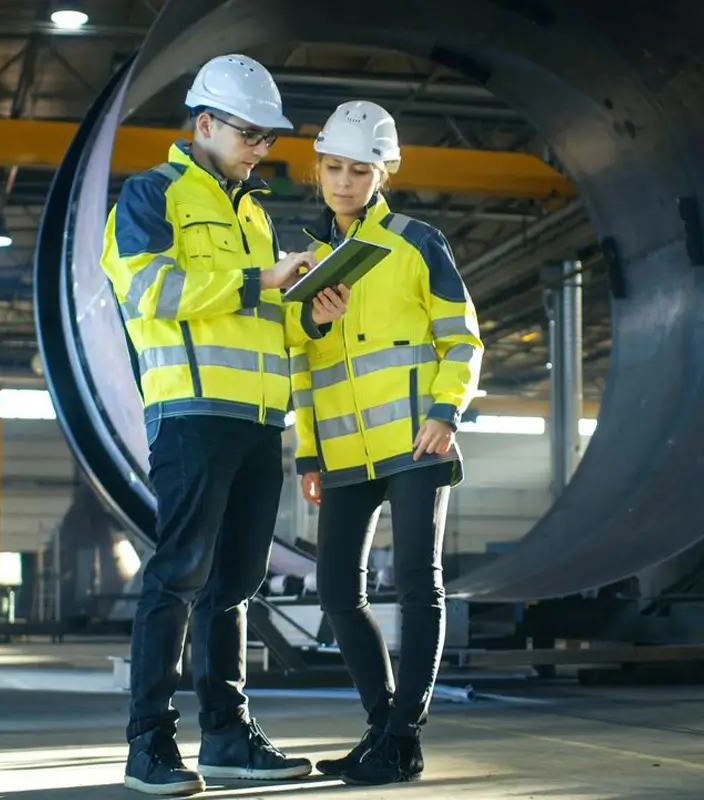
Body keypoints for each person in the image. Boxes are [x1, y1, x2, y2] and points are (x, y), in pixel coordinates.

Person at [100, 54, 349, 796]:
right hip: (192, 416)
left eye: (268, 138)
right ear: (203, 123)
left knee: (235, 587)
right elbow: (150, 289)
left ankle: (227, 738)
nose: (260, 148)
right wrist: (261, 278)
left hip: (257, 423)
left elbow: (264, 326)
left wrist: (309, 312)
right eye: (249, 133)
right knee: (178, 577)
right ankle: (148, 746)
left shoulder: (256, 215)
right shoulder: (154, 195)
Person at [289, 100, 485, 785]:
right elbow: (302, 367)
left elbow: (462, 338)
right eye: (334, 168)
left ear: (386, 170)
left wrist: (446, 411)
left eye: (360, 170)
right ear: (318, 168)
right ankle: (381, 728)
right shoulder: (306, 260)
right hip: (343, 453)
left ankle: (403, 736)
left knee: (417, 587)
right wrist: (308, 453)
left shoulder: (417, 241)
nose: (344, 182)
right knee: (338, 589)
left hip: (415, 442)